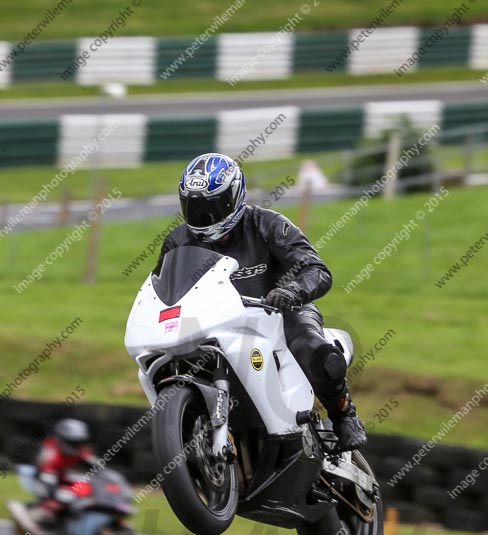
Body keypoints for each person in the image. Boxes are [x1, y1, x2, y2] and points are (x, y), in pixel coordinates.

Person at [155, 153, 366, 451]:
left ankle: (343, 414)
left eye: (212, 206)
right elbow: (161, 288)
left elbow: (316, 269)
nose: (204, 216)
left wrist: (292, 291)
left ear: (234, 197)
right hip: (213, 321)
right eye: (195, 207)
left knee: (313, 350)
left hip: (281, 312)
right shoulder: (177, 241)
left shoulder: (269, 225)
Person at [35, 419, 94, 525]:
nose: (76, 445)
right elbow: (45, 472)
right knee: (49, 479)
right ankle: (45, 513)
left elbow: (94, 463)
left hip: (63, 479)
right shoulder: (50, 451)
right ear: (62, 439)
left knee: (86, 486)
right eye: (73, 442)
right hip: (46, 482)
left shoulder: (80, 451)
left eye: (79, 442)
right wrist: (53, 496)